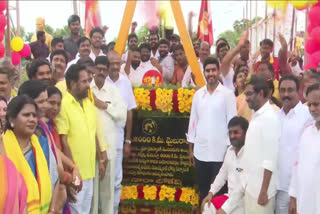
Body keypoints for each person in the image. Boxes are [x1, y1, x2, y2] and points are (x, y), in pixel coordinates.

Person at [218, 74, 281, 214]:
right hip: (250, 188)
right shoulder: (256, 116)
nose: (246, 98)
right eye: (245, 94)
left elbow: (270, 159)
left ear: (261, 93)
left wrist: (264, 191)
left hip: (261, 192)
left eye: (249, 94)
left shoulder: (270, 117)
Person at [187, 57, 237, 204]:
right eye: (207, 71)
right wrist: (191, 149)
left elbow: (232, 124)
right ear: (204, 72)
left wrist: (230, 150)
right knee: (203, 192)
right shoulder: (198, 95)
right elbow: (193, 121)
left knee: (219, 194)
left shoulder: (227, 94)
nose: (210, 73)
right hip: (200, 152)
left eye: (213, 70)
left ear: (218, 71)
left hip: (220, 154)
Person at [55, 64, 100, 213]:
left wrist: (102, 158)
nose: (89, 85)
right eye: (84, 81)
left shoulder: (88, 103)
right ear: (74, 84)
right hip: (76, 174)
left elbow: (92, 134)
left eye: (89, 80)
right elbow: (64, 142)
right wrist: (73, 173)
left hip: (90, 172)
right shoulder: (64, 105)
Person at [2, 95, 53, 213]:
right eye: (26, 115)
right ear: (12, 120)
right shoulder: (2, 147)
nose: (32, 119)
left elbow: (54, 178)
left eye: (34, 115)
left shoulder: (42, 145)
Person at [90, 56, 127, 214]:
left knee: (108, 196)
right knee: (91, 196)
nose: (100, 72)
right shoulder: (87, 89)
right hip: (90, 150)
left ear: (107, 71)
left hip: (109, 150)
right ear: (93, 69)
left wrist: (104, 105)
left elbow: (122, 116)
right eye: (98, 68)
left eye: (104, 69)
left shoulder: (113, 91)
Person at [276, 75, 313, 214]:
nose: (285, 94)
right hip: (276, 187)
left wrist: (295, 193)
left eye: (290, 90)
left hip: (297, 189)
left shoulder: (307, 116)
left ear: (298, 91)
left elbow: (306, 156)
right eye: (282, 90)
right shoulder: (275, 117)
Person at [106, 51, 137, 214]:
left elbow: (130, 111)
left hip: (118, 138)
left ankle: (114, 211)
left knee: (116, 181)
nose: (116, 66)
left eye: (119, 63)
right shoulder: (100, 81)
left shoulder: (125, 83)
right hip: (101, 139)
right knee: (103, 180)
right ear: (107, 63)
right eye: (113, 63)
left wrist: (128, 141)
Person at [201, 116, 249, 214]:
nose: (232, 136)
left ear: (245, 133)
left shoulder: (250, 154)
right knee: (207, 207)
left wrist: (225, 209)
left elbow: (242, 187)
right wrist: (211, 193)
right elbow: (222, 174)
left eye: (236, 132)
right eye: (230, 133)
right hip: (229, 197)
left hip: (244, 202)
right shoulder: (230, 151)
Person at [288, 83, 320, 214]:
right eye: (309, 105)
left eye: (317, 104)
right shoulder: (306, 133)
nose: (312, 109)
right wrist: (293, 197)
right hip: (305, 201)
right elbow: (297, 167)